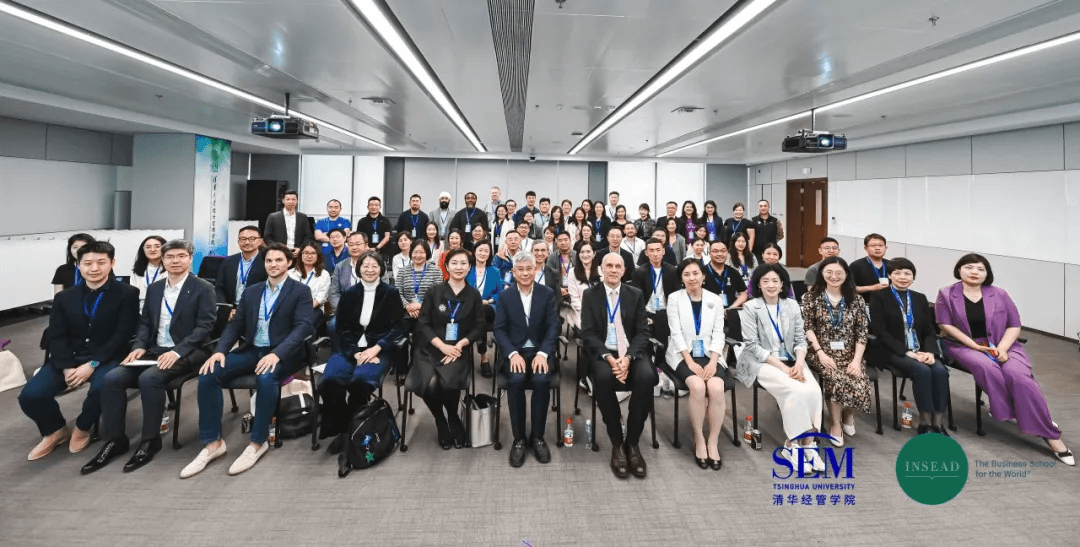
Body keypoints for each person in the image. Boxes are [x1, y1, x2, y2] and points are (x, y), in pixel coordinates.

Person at [181, 243, 315, 478]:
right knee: (209, 373)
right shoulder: (252, 291)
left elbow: (303, 327)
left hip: (282, 353)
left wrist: (277, 353)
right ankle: (213, 443)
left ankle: (257, 442)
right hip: (252, 349)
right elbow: (236, 325)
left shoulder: (300, 291)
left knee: (265, 378)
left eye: (279, 260)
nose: (273, 265)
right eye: (269, 261)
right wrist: (221, 350)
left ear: (289, 263)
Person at [87, 240, 215, 474]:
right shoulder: (155, 288)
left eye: (181, 256)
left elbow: (205, 327)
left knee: (149, 379)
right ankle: (116, 439)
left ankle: (150, 440)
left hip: (188, 351)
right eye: (170, 257)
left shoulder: (203, 287)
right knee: (112, 378)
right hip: (154, 350)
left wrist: (177, 351)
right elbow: (145, 323)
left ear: (190, 258)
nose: (175, 261)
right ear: (162, 260)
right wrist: (138, 346)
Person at [935, 254, 1073, 465]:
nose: (974, 272)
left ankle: (1032, 417)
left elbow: (1014, 325)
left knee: (1019, 377)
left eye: (980, 269)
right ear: (959, 270)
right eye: (969, 267)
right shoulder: (946, 294)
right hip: (963, 345)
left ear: (987, 273)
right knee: (987, 368)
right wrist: (974, 346)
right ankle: (1048, 432)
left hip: (1002, 343)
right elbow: (945, 325)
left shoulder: (999, 294)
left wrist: (1002, 348)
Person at [20, 241, 140, 461]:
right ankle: (55, 430)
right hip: (70, 357)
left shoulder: (127, 293)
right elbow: (57, 335)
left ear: (112, 263)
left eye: (101, 262)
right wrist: (66, 367)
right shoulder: (64, 297)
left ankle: (83, 426)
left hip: (107, 356)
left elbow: (121, 335)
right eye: (87, 263)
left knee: (103, 386)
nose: (94, 268)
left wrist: (92, 364)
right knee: (30, 396)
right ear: (78, 265)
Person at [320, 252, 406, 473]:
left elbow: (399, 327)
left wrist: (377, 348)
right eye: (365, 266)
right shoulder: (350, 294)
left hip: (378, 350)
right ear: (358, 270)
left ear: (381, 269)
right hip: (349, 349)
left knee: (360, 382)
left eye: (374, 266)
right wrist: (354, 353)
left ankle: (351, 433)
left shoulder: (390, 293)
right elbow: (340, 328)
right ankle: (346, 429)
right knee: (329, 381)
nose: (369, 269)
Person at [735, 264, 825, 472]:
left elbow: (800, 340)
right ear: (758, 284)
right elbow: (752, 346)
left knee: (813, 390)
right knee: (794, 390)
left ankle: (808, 444)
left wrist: (800, 364)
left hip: (792, 360)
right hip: (761, 362)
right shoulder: (751, 307)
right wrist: (785, 369)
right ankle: (792, 446)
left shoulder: (792, 305)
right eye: (765, 281)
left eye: (775, 281)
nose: (771, 285)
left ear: (783, 284)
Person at [581, 253, 657, 479]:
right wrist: (608, 357)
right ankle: (617, 443)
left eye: (618, 266)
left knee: (647, 377)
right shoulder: (590, 295)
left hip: (631, 352)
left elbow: (643, 332)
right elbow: (588, 333)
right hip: (604, 352)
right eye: (609, 266)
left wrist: (628, 358)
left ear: (624, 270)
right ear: (601, 269)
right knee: (603, 378)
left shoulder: (635, 294)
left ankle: (632, 442)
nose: (613, 270)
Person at [404, 248, 484, 449]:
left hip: (457, 348)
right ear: (446, 266)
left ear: (469, 267)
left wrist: (460, 344)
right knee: (431, 384)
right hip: (430, 347)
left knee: (447, 383)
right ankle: (441, 420)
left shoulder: (473, 294)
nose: (459, 267)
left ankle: (453, 418)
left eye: (463, 263)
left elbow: (479, 327)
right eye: (454, 263)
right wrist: (441, 346)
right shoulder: (435, 291)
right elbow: (423, 323)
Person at [867, 258, 950, 434]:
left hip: (921, 349)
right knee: (922, 370)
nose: (903, 277)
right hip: (892, 350)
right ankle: (925, 421)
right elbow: (880, 331)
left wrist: (930, 352)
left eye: (907, 273)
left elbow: (929, 330)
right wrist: (907, 352)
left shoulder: (919, 298)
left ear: (913, 277)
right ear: (889, 275)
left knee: (940, 371)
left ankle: (938, 422)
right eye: (897, 273)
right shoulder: (879, 296)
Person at [494, 252, 560, 467]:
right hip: (516, 352)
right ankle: (519, 439)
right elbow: (499, 330)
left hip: (540, 352)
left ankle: (538, 437)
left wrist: (543, 353)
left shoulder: (547, 293)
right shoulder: (505, 296)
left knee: (542, 381)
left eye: (528, 269)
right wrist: (512, 354)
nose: (525, 273)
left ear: (535, 270)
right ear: (513, 272)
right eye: (520, 269)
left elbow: (553, 326)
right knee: (516, 380)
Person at [800, 257, 870, 447]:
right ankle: (836, 424)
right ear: (822, 274)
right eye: (829, 272)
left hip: (850, 352)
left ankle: (848, 414)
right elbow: (807, 328)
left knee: (857, 379)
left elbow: (862, 332)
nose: (834, 276)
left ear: (846, 275)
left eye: (839, 273)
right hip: (820, 351)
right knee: (835, 378)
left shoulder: (856, 299)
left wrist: (856, 360)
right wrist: (820, 353)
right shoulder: (811, 298)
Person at [665, 259, 727, 469]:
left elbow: (719, 333)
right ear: (681, 279)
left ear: (703, 276)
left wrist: (713, 362)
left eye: (695, 273)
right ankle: (699, 439)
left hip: (711, 354)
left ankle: (713, 441)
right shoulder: (674, 299)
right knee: (698, 386)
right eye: (686, 274)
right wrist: (690, 361)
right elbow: (675, 332)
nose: (692, 278)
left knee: (716, 388)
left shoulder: (715, 299)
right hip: (682, 354)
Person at [631, 238, 679, 345]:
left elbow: (677, 295)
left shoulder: (672, 271)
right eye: (651, 250)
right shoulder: (639, 272)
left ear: (663, 251)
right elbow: (636, 299)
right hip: (647, 314)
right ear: (646, 253)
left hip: (666, 314)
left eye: (658, 250)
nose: (655, 254)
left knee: (665, 346)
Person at [468, 239, 503, 378]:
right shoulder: (467, 269)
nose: (483, 253)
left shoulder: (494, 271)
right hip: (469, 306)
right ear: (474, 252)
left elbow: (500, 292)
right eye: (480, 250)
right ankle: (484, 357)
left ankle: (482, 353)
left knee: (482, 311)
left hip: (489, 307)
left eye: (486, 251)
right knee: (479, 314)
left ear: (490, 254)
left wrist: (489, 301)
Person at [215, 226, 267, 313]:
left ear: (260, 241)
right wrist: (226, 309)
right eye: (243, 239)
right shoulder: (228, 261)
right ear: (238, 242)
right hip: (230, 309)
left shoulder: (266, 261)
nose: (247, 242)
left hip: (255, 311)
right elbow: (219, 288)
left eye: (252, 239)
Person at [396, 239, 443, 327]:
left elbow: (438, 294)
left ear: (427, 253)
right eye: (415, 252)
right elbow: (398, 293)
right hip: (406, 314)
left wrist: (421, 306)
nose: (418, 255)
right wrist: (408, 306)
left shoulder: (436, 271)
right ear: (411, 253)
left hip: (429, 314)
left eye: (422, 252)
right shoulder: (402, 271)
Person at [288, 242, 332, 327]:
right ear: (301, 254)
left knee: (305, 323)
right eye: (306, 253)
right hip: (292, 308)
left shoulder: (324, 274)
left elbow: (320, 298)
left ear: (318, 255)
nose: (309, 256)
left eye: (313, 253)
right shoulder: (290, 273)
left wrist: (303, 309)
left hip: (314, 308)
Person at [702, 240, 748, 309]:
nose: (720, 254)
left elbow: (743, 293)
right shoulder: (701, 272)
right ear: (709, 253)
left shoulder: (734, 272)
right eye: (715, 251)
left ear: (727, 253)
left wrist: (732, 308)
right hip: (708, 311)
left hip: (730, 311)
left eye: (723, 251)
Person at [567, 242, 599, 330]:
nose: (585, 255)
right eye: (582, 252)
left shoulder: (601, 271)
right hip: (581, 311)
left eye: (588, 252)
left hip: (600, 311)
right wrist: (588, 311)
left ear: (594, 254)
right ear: (578, 254)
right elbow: (574, 299)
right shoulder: (572, 272)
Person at [130, 235, 166, 311]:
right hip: (140, 309)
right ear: (143, 250)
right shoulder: (136, 271)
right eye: (148, 247)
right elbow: (133, 295)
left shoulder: (170, 270)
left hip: (163, 308)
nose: (152, 250)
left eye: (157, 246)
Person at [548, 231, 576, 297]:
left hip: (575, 289)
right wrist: (558, 289)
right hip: (558, 291)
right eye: (560, 240)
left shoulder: (577, 255)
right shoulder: (552, 257)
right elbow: (549, 276)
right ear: (557, 243)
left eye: (565, 240)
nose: (563, 243)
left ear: (570, 241)